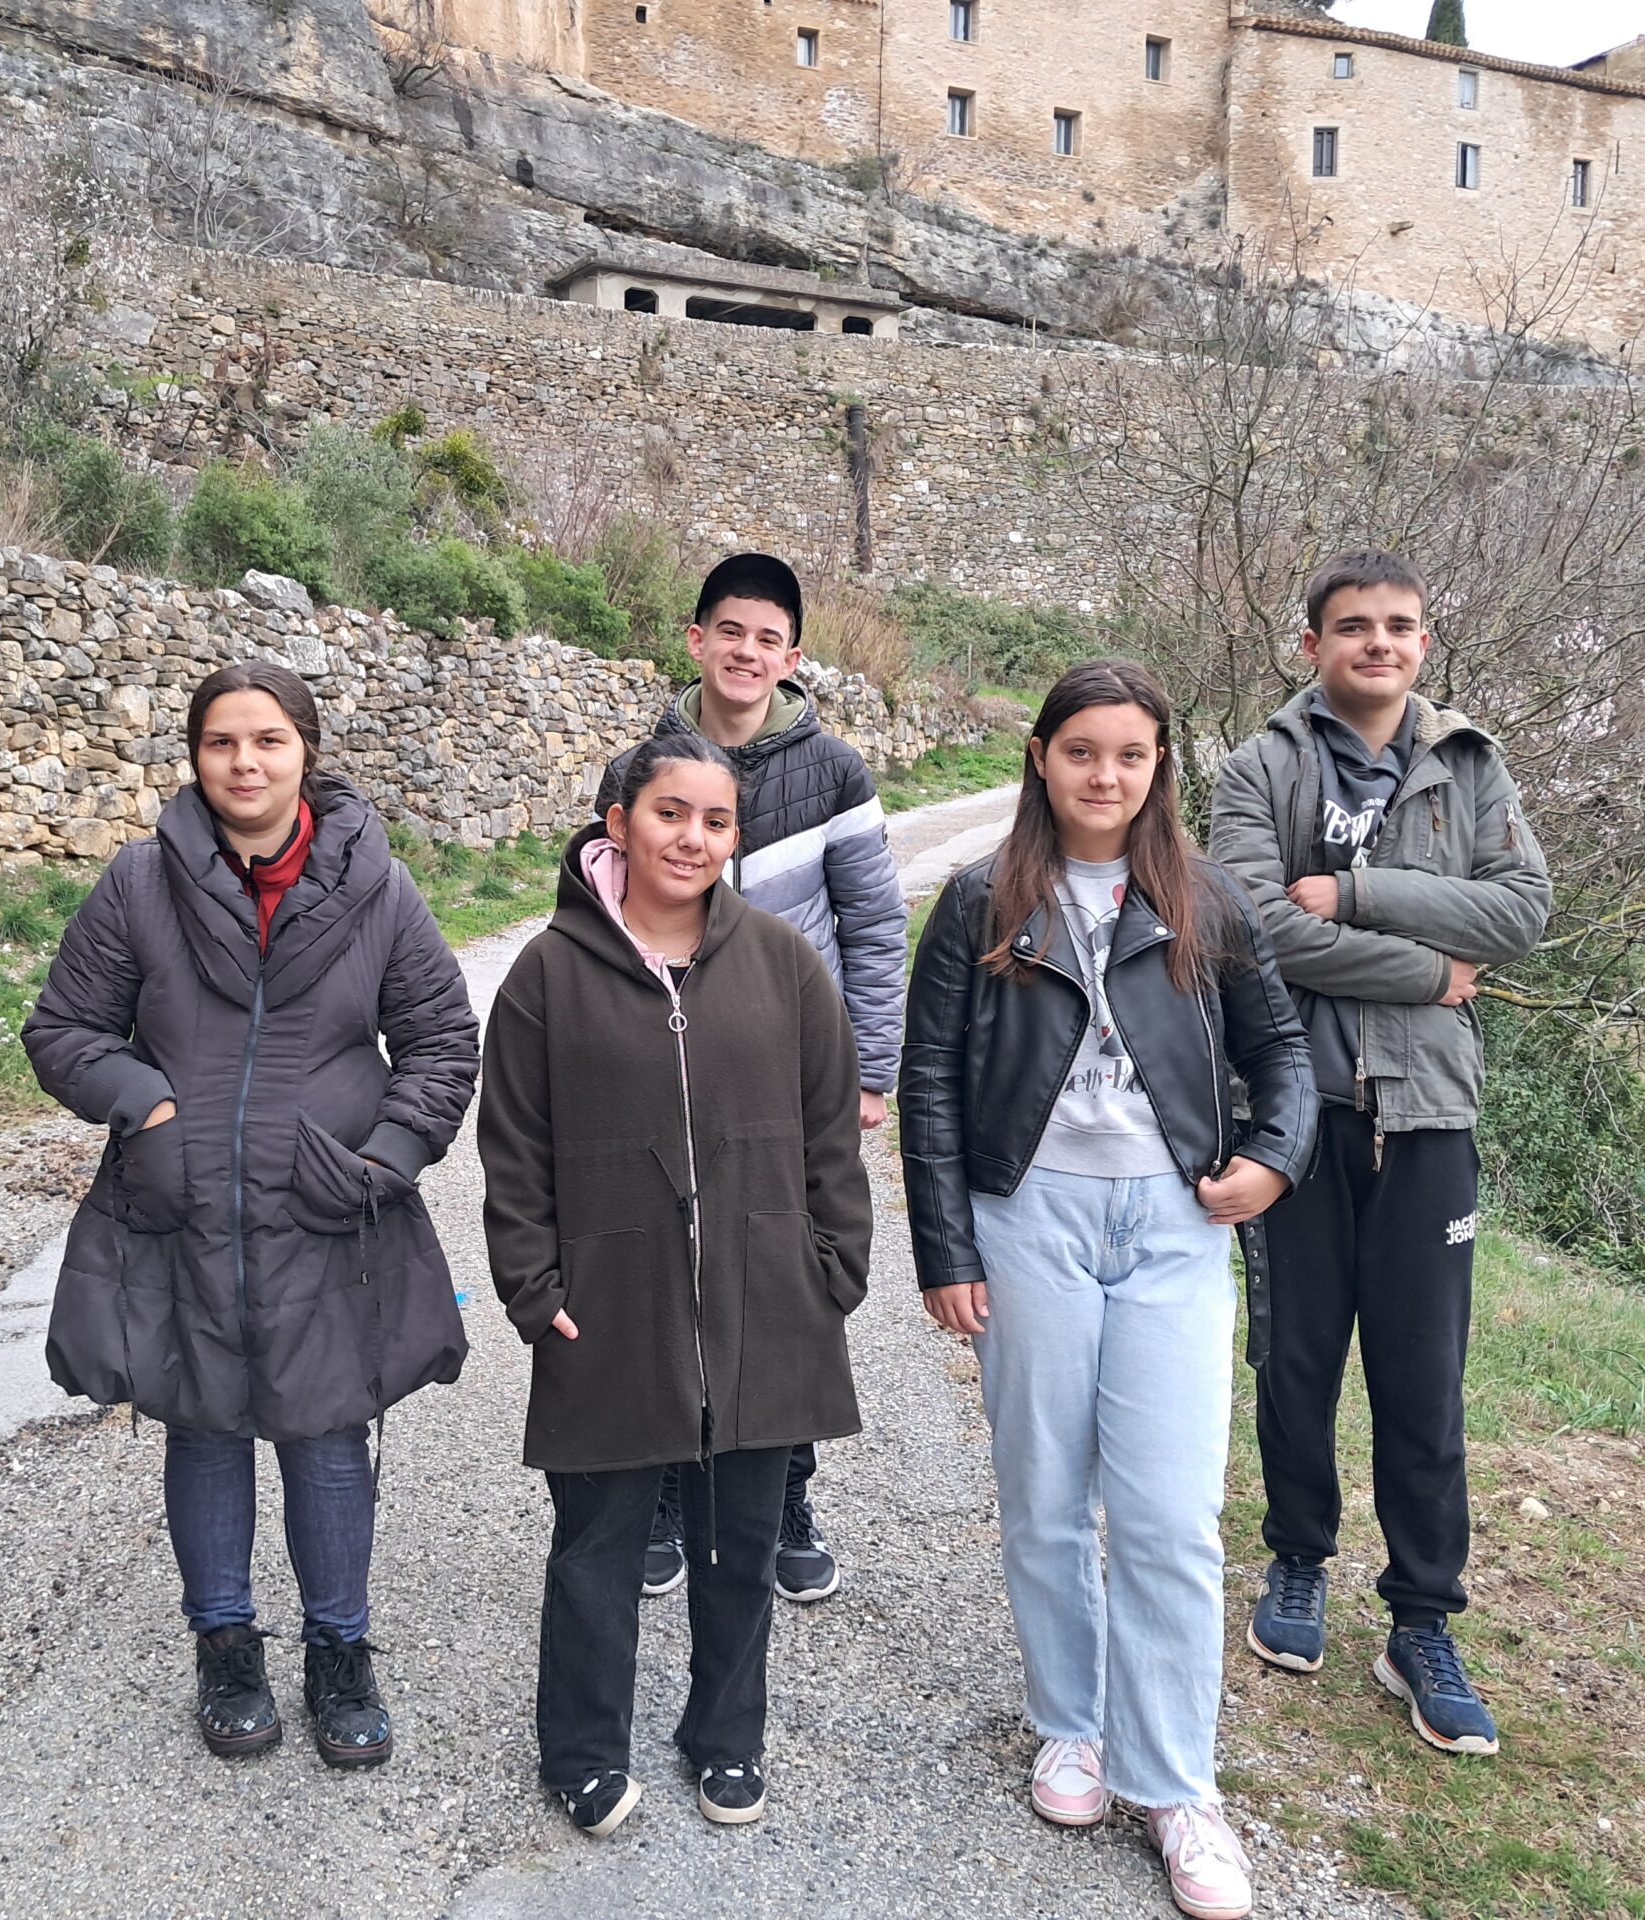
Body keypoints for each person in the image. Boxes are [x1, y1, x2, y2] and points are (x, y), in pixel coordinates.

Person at [902, 660, 1314, 1920]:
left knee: (1170, 1515)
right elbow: (925, 1081)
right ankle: (1070, 1726)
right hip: (1027, 1218)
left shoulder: (1206, 901)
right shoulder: (982, 901)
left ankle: (1175, 1781)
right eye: (1081, 751)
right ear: (1041, 758)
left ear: (1158, 769)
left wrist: (1275, 1159)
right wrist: (946, 1250)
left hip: (1173, 1227)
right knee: (1041, 1492)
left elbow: (1278, 1051)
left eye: (1130, 756)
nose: (1104, 776)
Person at [23, 660, 478, 1771]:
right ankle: (223, 1644)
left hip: (329, 1209)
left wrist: (383, 1155)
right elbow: (64, 1030)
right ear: (195, 757)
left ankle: (340, 1652)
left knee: (327, 1436)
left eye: (267, 741)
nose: (245, 763)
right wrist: (147, 1107)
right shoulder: (139, 884)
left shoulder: (378, 886)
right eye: (223, 742)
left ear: (304, 752)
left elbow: (439, 1042)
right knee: (205, 1424)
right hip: (180, 1207)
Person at [482, 733, 872, 1838]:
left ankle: (726, 1735)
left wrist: (834, 1264)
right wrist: (530, 1283)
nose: (691, 837)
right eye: (668, 814)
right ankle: (581, 1750)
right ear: (618, 821)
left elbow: (828, 1132)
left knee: (739, 1544)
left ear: (734, 835)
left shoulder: (783, 963)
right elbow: (511, 1150)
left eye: (714, 820)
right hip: (607, 1305)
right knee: (598, 1545)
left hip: (764, 1301)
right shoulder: (545, 977)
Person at [1209, 550, 1551, 1759]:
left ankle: (1420, 1621)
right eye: (1352, 626)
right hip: (1294, 1111)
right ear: (1311, 646)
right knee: (1293, 1361)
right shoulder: (1259, 766)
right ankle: (1296, 1563)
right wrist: (1426, 970)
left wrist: (1353, 898)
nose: (1379, 644)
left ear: (1424, 639)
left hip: (1428, 1115)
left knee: (1421, 1381)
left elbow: (1519, 911)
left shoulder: (1469, 763)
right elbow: (1244, 924)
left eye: (1399, 626)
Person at [595, 551, 903, 1606]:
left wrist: (869, 1069)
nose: (746, 653)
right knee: (668, 1278)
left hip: (789, 1073)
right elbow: (594, 924)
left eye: (767, 638)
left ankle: (783, 1496)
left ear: (792, 656)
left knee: (788, 1291)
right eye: (730, 631)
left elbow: (870, 922)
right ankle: (672, 1495)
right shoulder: (638, 768)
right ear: (696, 640)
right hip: (661, 1069)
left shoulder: (837, 771)